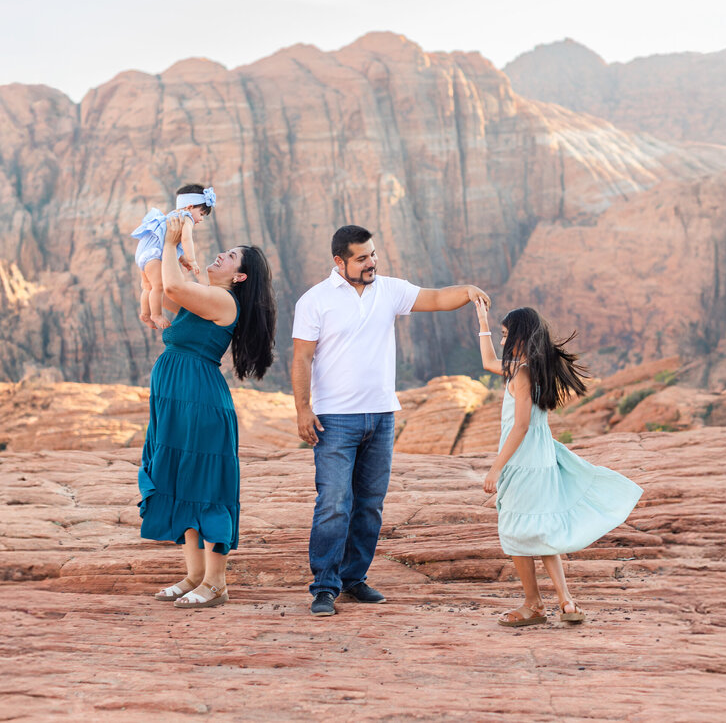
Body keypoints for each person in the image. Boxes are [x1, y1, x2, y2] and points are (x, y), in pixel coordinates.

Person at [292, 225, 490, 617]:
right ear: (339, 262)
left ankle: (353, 579)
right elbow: (301, 359)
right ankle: (325, 587)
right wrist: (303, 409)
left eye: (373, 254)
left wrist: (467, 292)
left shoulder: (389, 289)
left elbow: (433, 298)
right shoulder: (314, 301)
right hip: (334, 419)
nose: (371, 263)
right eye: (362, 258)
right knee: (333, 503)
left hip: (381, 415)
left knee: (369, 505)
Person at [139, 208, 276, 609]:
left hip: (199, 399)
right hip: (177, 395)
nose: (222, 256)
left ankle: (216, 583)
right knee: (182, 482)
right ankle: (194, 575)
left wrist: (168, 244)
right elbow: (169, 285)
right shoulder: (210, 291)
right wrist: (178, 245)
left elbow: (176, 290)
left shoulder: (223, 301)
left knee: (206, 487)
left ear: (240, 277)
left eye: (231, 257)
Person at [474, 302, 643, 627]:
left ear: (520, 339)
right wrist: (482, 319)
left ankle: (533, 605)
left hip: (523, 463)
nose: (502, 341)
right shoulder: (535, 368)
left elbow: (520, 426)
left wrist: (497, 467)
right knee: (540, 529)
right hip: (542, 459)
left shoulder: (521, 374)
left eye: (506, 335)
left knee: (515, 532)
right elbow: (487, 361)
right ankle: (566, 601)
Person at [131, 184, 214, 330]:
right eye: (201, 214)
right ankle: (156, 314)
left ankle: (145, 313)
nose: (201, 219)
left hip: (144, 252)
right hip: (154, 255)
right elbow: (186, 240)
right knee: (159, 286)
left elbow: (173, 244)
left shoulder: (172, 216)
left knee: (147, 286)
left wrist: (183, 260)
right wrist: (193, 261)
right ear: (189, 207)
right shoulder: (186, 217)